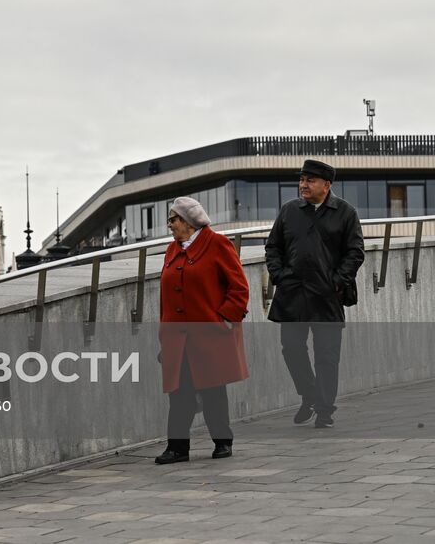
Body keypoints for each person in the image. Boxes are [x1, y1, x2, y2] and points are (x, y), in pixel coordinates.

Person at [265, 158, 365, 428]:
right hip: (292, 294)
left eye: (310, 180)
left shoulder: (345, 212)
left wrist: (336, 282)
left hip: (326, 296)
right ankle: (309, 394)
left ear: (326, 184)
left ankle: (324, 410)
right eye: (301, 180)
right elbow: (273, 247)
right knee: (291, 349)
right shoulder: (289, 211)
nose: (303, 185)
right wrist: (280, 275)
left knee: (327, 355)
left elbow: (355, 252)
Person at [155, 196, 251, 465]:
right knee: (179, 392)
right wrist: (164, 337)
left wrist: (222, 320)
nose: (169, 225)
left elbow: (239, 288)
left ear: (187, 221)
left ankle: (223, 441)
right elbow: (165, 298)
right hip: (177, 336)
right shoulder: (172, 250)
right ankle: (177, 448)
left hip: (210, 333)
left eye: (172, 220)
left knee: (212, 389)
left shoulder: (217, 244)